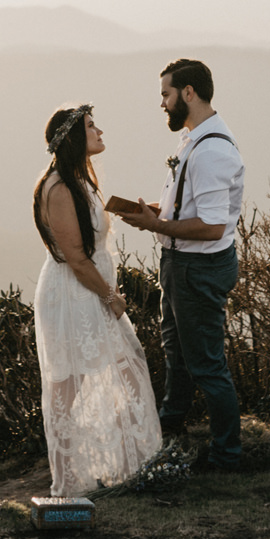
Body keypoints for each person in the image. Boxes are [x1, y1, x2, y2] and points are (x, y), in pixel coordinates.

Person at [118, 58, 245, 472]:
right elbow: (190, 208)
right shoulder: (194, 139)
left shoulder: (211, 151)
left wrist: (157, 223)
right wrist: (154, 214)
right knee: (176, 352)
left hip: (198, 269)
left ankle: (227, 455)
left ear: (188, 93)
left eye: (166, 95)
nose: (163, 104)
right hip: (181, 264)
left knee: (207, 364)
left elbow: (211, 226)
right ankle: (170, 430)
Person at [31, 103, 163, 496]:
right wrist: (111, 297)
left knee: (126, 368)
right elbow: (74, 257)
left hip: (90, 291)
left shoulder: (79, 180)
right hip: (75, 295)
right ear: (74, 138)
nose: (100, 131)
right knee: (69, 386)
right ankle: (69, 479)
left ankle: (133, 461)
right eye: (91, 126)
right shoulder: (57, 187)